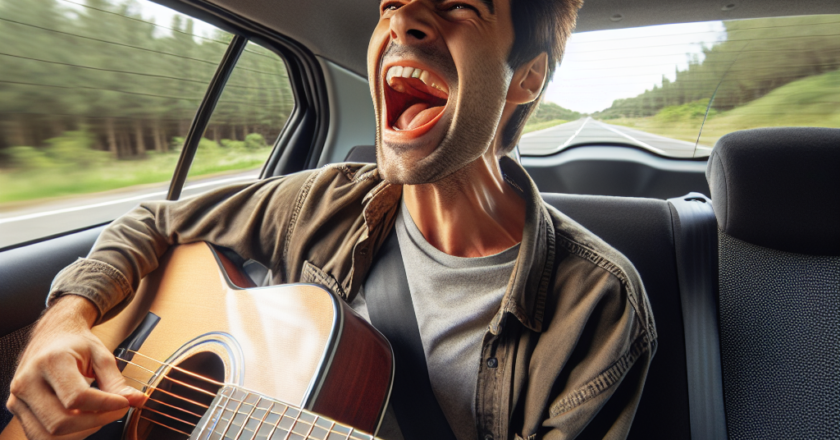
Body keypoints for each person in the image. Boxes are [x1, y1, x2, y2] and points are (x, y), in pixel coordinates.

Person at [6, 0, 657, 438]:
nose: (406, 21)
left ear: (527, 79)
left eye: (459, 4)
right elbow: (153, 221)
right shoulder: (323, 202)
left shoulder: (598, 305)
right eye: (391, 6)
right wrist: (61, 326)